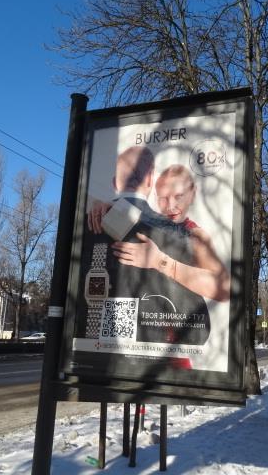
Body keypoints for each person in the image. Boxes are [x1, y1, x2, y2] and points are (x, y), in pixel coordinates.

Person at [80, 146, 210, 345]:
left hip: (90, 347)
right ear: (150, 179)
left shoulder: (85, 224)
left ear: (115, 183)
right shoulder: (176, 234)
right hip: (154, 351)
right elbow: (199, 333)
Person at [111, 164, 231, 302]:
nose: (170, 206)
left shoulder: (195, 236)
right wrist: (105, 206)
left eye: (178, 196)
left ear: (192, 194)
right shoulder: (154, 222)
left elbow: (223, 290)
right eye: (163, 198)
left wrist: (160, 262)